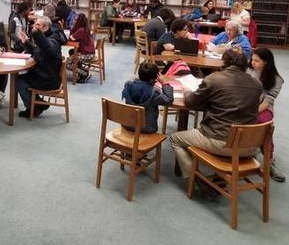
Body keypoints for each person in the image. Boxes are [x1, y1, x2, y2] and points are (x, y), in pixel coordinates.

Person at [169, 49, 263, 188]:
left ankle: (195, 180)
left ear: (224, 62)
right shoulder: (257, 84)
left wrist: (187, 91)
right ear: (245, 64)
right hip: (249, 145)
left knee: (175, 139)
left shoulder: (214, 79)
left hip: (220, 141)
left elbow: (190, 102)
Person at [248, 48, 285, 182]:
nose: (253, 63)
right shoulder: (248, 72)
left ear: (266, 62)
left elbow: (266, 103)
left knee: (264, 125)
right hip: (245, 103)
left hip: (262, 107)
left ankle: (269, 162)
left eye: (257, 61)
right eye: (252, 59)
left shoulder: (277, 80)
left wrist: (249, 112)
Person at [16, 16, 62, 118]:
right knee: (21, 76)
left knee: (18, 80)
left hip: (48, 80)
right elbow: (38, 51)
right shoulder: (47, 38)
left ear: (45, 28)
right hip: (45, 75)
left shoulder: (54, 39)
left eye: (38, 25)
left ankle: (33, 108)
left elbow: (47, 47)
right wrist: (26, 42)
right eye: (35, 24)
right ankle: (39, 103)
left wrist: (36, 34)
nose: (34, 27)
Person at [122, 62, 174, 134]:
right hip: (147, 128)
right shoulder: (154, 93)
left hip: (128, 125)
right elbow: (169, 100)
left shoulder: (128, 85)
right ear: (155, 78)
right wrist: (165, 84)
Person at [67, 13, 95, 83]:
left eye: (76, 20)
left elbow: (71, 38)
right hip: (90, 52)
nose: (74, 21)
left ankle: (84, 73)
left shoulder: (81, 30)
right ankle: (82, 69)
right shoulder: (85, 28)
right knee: (72, 51)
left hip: (87, 54)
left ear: (79, 21)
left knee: (66, 63)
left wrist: (72, 27)